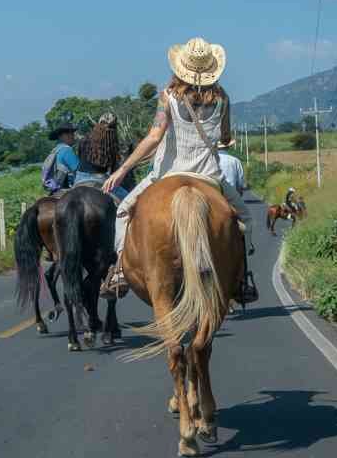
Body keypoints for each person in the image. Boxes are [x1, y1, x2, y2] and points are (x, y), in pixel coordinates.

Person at [102, 36, 254, 297]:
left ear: (180, 66)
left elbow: (154, 137)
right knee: (245, 220)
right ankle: (242, 281)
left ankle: (118, 271)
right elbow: (225, 137)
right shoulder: (223, 99)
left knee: (123, 213)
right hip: (209, 177)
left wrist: (123, 169)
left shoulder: (168, 97)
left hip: (167, 174)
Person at [73, 112, 129, 200]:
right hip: (101, 180)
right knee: (129, 199)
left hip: (80, 178)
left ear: (98, 124)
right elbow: (113, 171)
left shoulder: (83, 140)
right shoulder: (113, 145)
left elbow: (80, 159)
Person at [42, 122, 79, 194]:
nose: (73, 136)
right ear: (63, 136)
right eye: (71, 133)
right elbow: (79, 170)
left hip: (55, 190)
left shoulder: (55, 150)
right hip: (66, 189)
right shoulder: (67, 150)